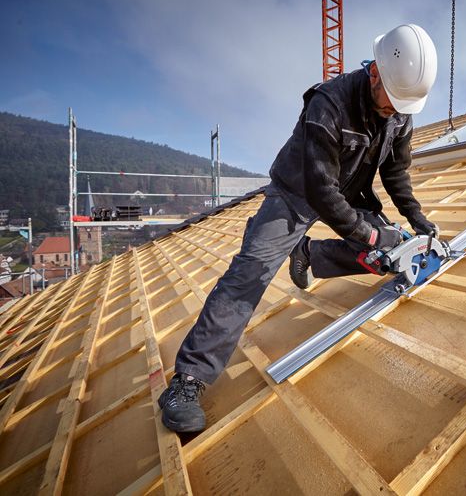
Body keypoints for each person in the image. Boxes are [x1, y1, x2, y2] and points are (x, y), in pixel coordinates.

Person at [158, 24, 439, 432]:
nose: (394, 111)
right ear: (375, 72)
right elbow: (321, 191)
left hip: (350, 194)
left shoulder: (399, 111)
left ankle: (309, 254)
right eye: (391, 103)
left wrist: (416, 218)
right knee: (250, 272)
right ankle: (187, 381)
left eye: (402, 107)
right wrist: (371, 232)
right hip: (298, 191)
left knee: (391, 256)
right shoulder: (329, 104)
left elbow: (396, 172)